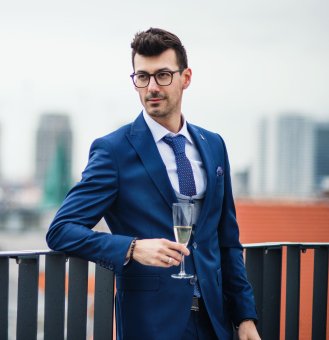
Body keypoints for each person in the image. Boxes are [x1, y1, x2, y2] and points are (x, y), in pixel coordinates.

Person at [46, 28, 260, 340]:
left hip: (217, 322)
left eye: (162, 75)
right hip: (152, 324)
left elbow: (227, 242)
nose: (151, 87)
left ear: (185, 78)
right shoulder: (114, 151)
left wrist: (245, 317)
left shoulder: (214, 145)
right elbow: (61, 229)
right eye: (142, 77)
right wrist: (132, 248)